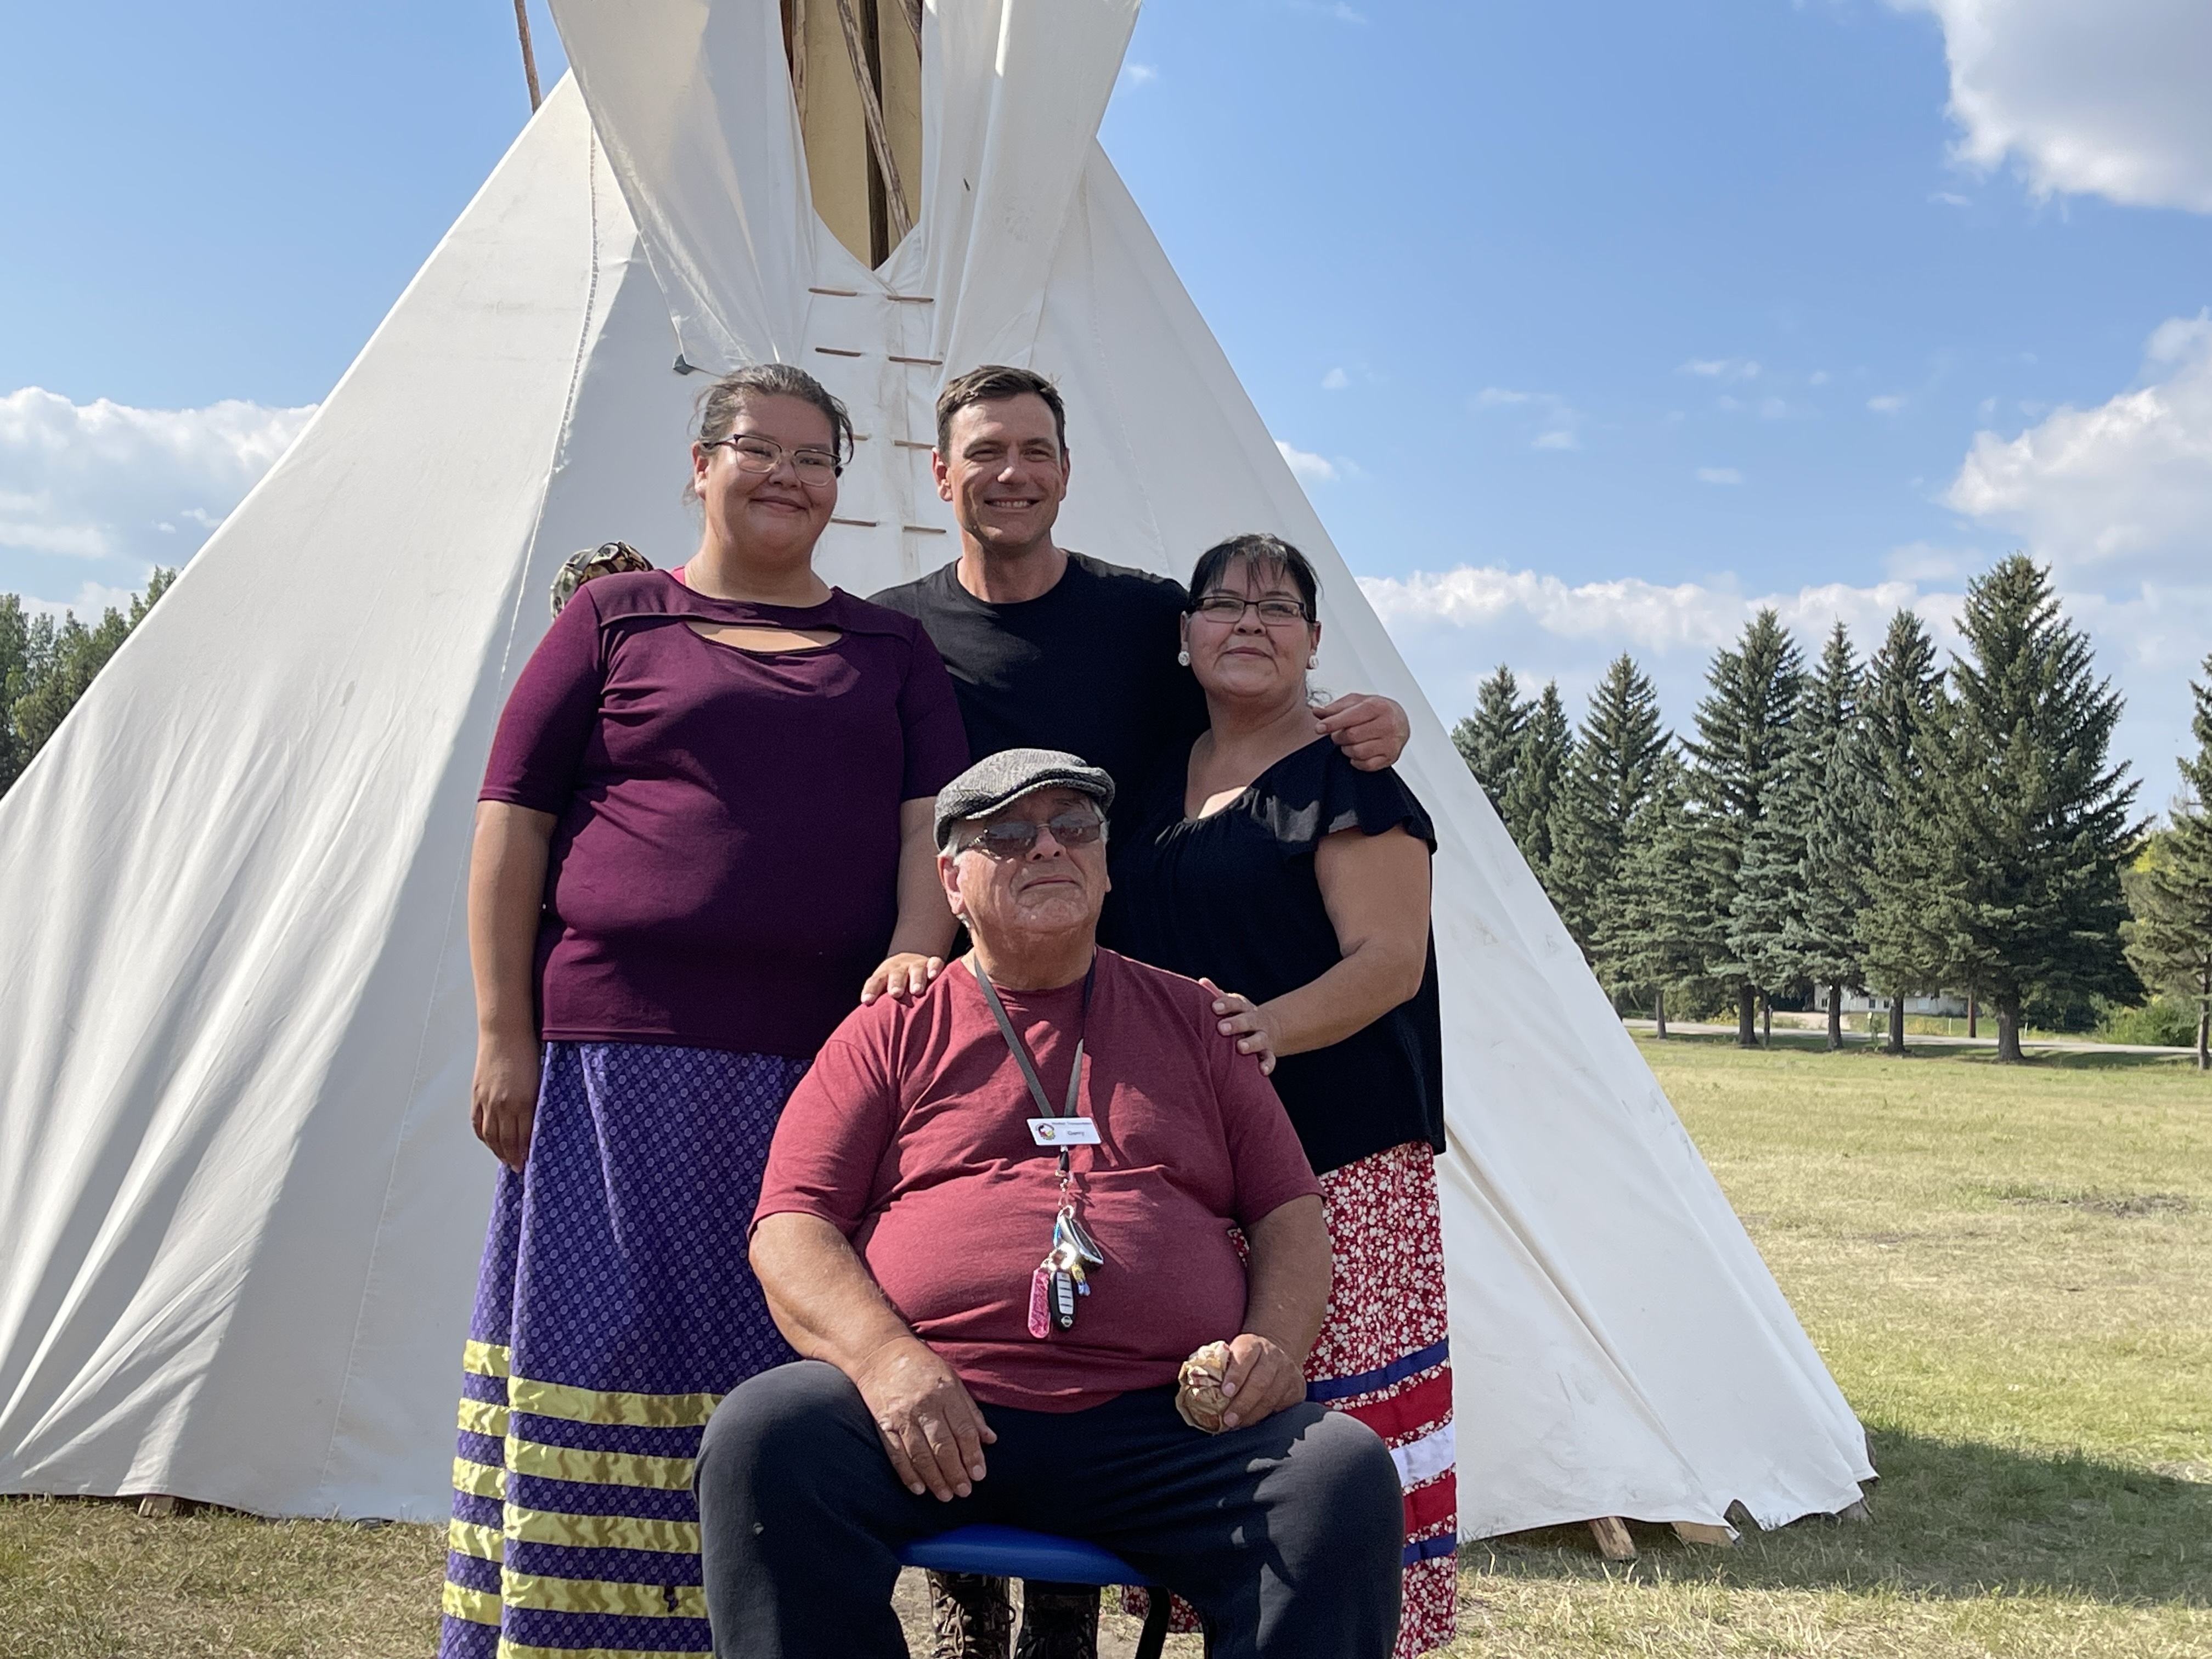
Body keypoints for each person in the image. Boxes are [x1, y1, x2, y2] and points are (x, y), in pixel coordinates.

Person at [866, 364, 1414, 1655]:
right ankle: (964, 1598)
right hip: (959, 1000)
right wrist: (910, 946)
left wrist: (1361, 719)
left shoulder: (1143, 614)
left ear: (1066, 467)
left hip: (1131, 1019)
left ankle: (1069, 1608)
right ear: (941, 475)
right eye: (985, 451)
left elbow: (1253, 686)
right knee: (961, 1242)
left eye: (1037, 448)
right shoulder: (892, 631)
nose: (1012, 471)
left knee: (1103, 1272)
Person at [434, 364, 972, 1659]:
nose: (785, 475)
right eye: (756, 448)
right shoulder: (618, 621)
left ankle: (762, 1628)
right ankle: (576, 1635)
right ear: (699, 464)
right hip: (617, 1058)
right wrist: (504, 1032)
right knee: (606, 1343)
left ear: (842, 485)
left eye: (813, 456)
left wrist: (912, 954)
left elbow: (935, 832)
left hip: (817, 1068)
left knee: (778, 1352)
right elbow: (512, 825)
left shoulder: (890, 648)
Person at [696, 750, 1407, 1659]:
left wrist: (1271, 1344)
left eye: (1075, 829)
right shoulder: (891, 1028)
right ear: (951, 879)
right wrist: (886, 1363)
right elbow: (791, 1228)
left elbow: (1289, 1213)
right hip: (937, 1411)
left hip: (1161, 1426)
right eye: (1009, 835)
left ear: (1107, 866)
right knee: (765, 1439)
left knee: (1336, 1474)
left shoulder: (1195, 1020)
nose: (1049, 849)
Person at [1104, 534, 1456, 1658]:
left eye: (1277, 607)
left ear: (1312, 640)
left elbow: (1390, 958)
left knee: (1330, 1425)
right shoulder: (1158, 774)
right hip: (1192, 1169)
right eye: (1223, 604)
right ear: (1186, 635)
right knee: (1212, 1415)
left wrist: (1262, 1030)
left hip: (1335, 1154)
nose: (1248, 622)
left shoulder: (1351, 777)